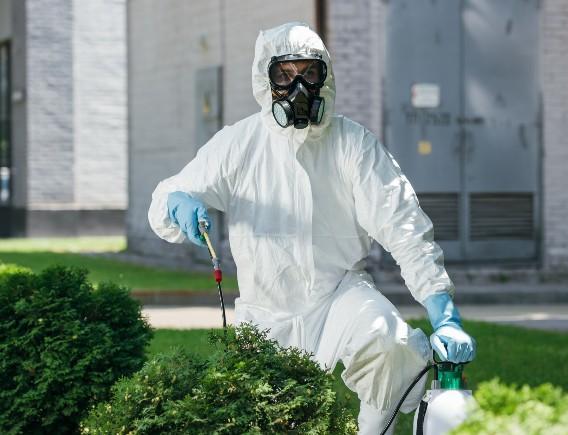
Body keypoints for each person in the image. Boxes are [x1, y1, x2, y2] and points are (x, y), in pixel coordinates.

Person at [148, 22, 475, 434]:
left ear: (326, 76)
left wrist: (443, 313)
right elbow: (167, 195)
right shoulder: (239, 144)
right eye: (284, 75)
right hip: (267, 309)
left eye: (309, 73)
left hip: (339, 292)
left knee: (393, 347)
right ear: (264, 80)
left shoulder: (353, 144)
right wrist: (179, 203)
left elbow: (404, 224)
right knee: (264, 419)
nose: (298, 86)